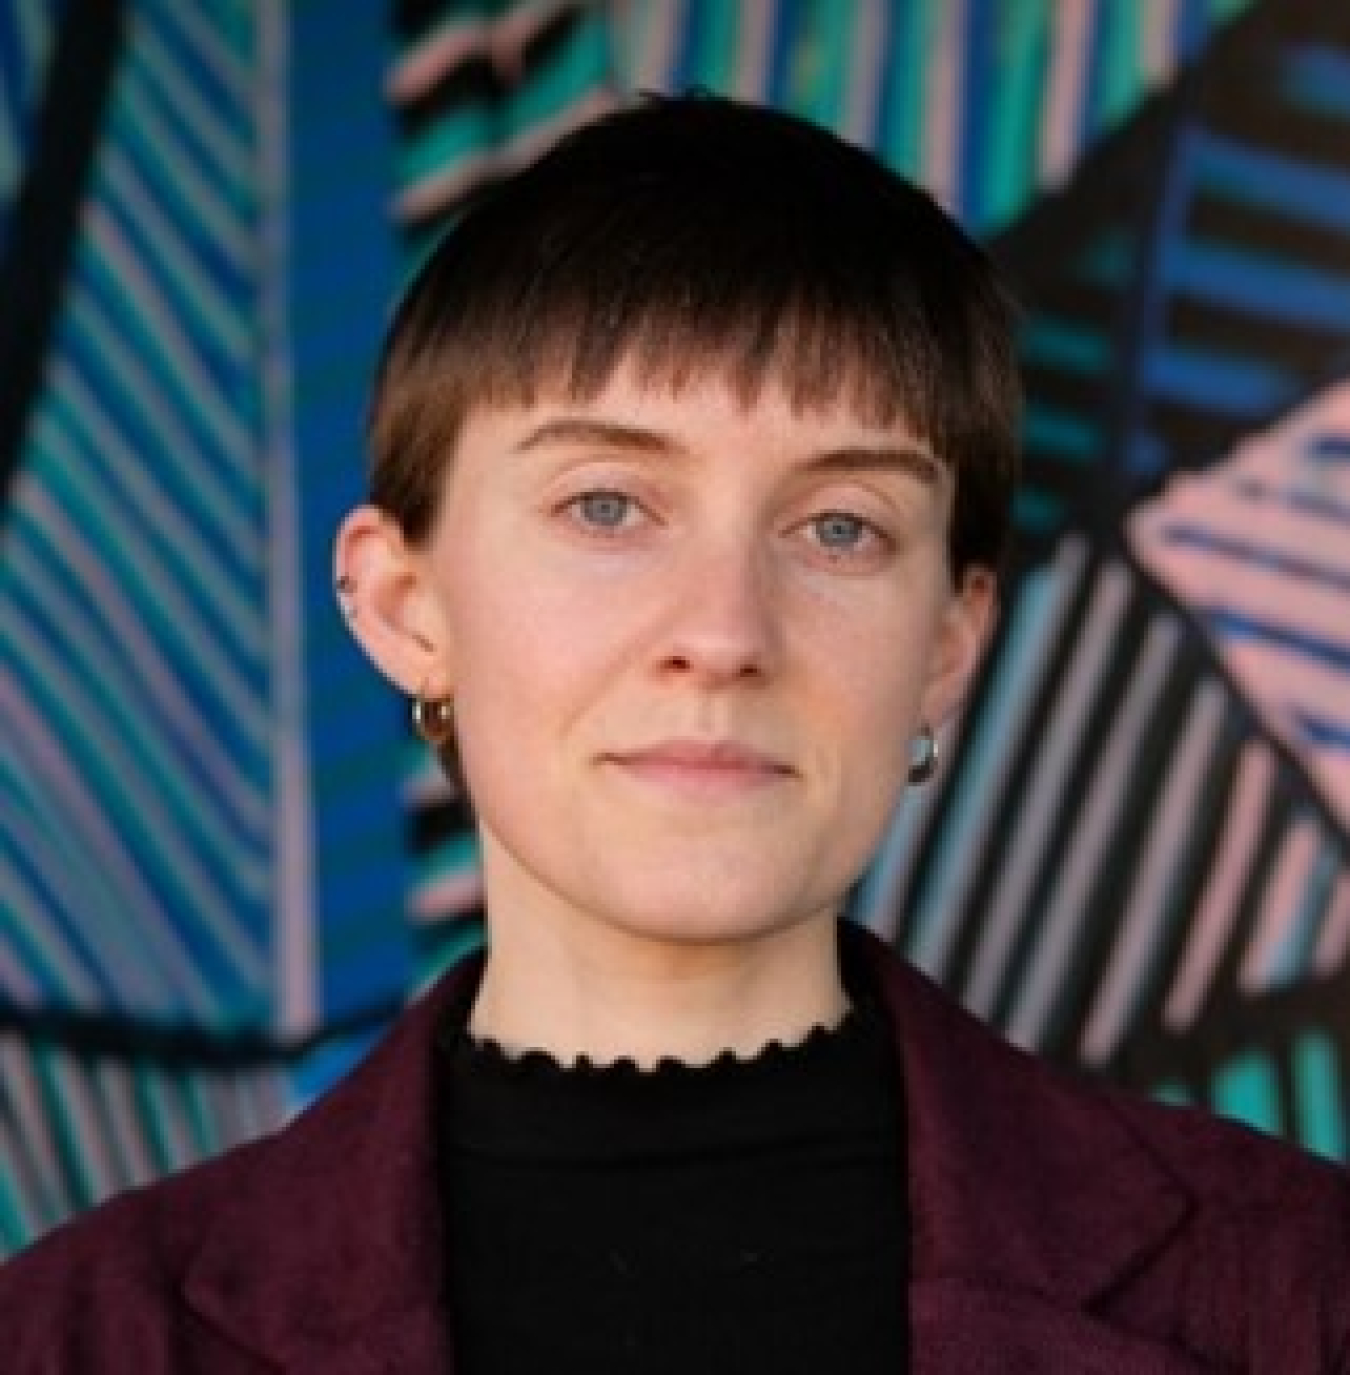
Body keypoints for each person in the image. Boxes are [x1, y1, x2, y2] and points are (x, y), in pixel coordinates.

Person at [2, 93, 1347, 1374]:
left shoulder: (1294, 1288)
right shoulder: (71, 1339)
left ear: (946, 645)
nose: (722, 629)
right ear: (407, 606)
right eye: (606, 507)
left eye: (838, 528)